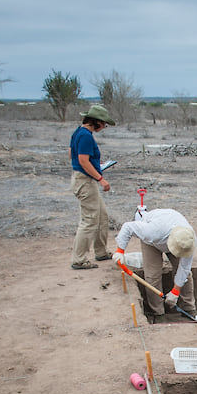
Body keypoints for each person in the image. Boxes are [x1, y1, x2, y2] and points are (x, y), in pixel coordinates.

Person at [113, 208, 197, 323]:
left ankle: (188, 309)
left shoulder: (189, 240)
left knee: (186, 275)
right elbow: (128, 227)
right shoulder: (152, 232)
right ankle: (158, 313)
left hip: (174, 235)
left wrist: (175, 292)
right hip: (152, 244)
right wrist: (120, 251)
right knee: (152, 276)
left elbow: (184, 268)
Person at [69, 104, 116, 270]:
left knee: (102, 216)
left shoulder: (78, 133)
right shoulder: (85, 136)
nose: (104, 127)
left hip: (85, 178)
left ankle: (101, 251)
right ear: (96, 121)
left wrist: (95, 165)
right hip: (85, 181)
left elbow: (72, 154)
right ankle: (79, 259)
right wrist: (100, 178)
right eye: (103, 123)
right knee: (89, 220)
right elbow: (82, 160)